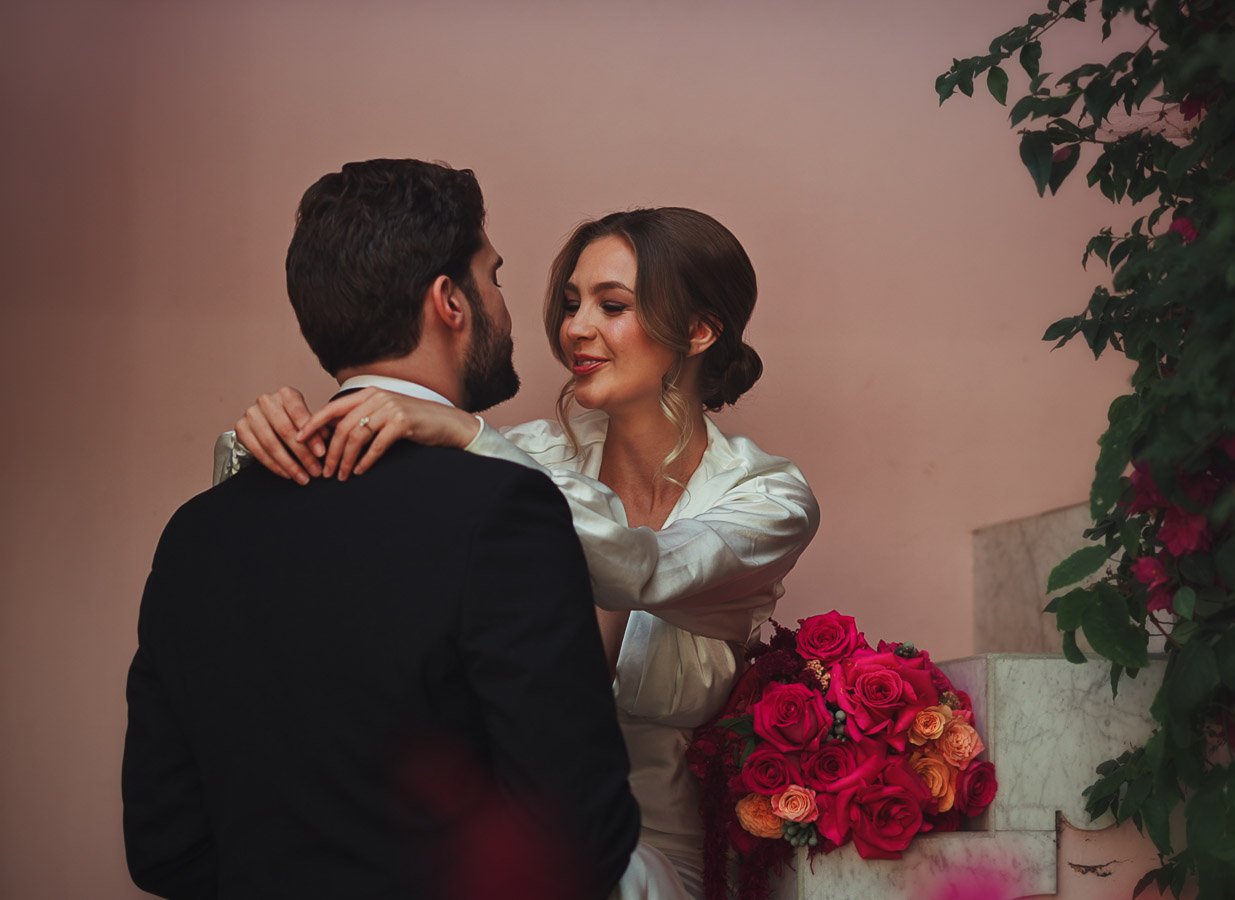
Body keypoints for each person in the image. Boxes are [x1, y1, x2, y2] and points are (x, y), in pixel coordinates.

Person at [227, 207, 821, 897]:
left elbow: (645, 566)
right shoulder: (524, 454)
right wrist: (264, 438)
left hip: (655, 857)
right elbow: (346, 522)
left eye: (611, 305)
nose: (575, 328)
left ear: (698, 330)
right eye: (570, 304)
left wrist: (470, 435)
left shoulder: (769, 496)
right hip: (504, 841)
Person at [123, 159, 643, 899]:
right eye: (492, 276)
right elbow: (577, 834)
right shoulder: (502, 512)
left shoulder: (196, 533)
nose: (503, 301)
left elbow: (162, 845)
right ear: (448, 302)